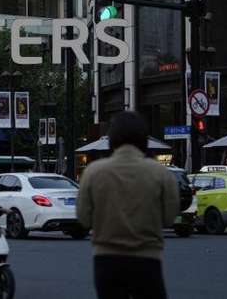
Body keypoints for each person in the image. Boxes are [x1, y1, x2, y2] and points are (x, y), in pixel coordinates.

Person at [77, 111, 180, 299]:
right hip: (147, 259)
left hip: (106, 259)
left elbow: (84, 219)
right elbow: (169, 218)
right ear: (143, 139)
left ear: (112, 138)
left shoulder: (93, 172)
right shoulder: (162, 174)